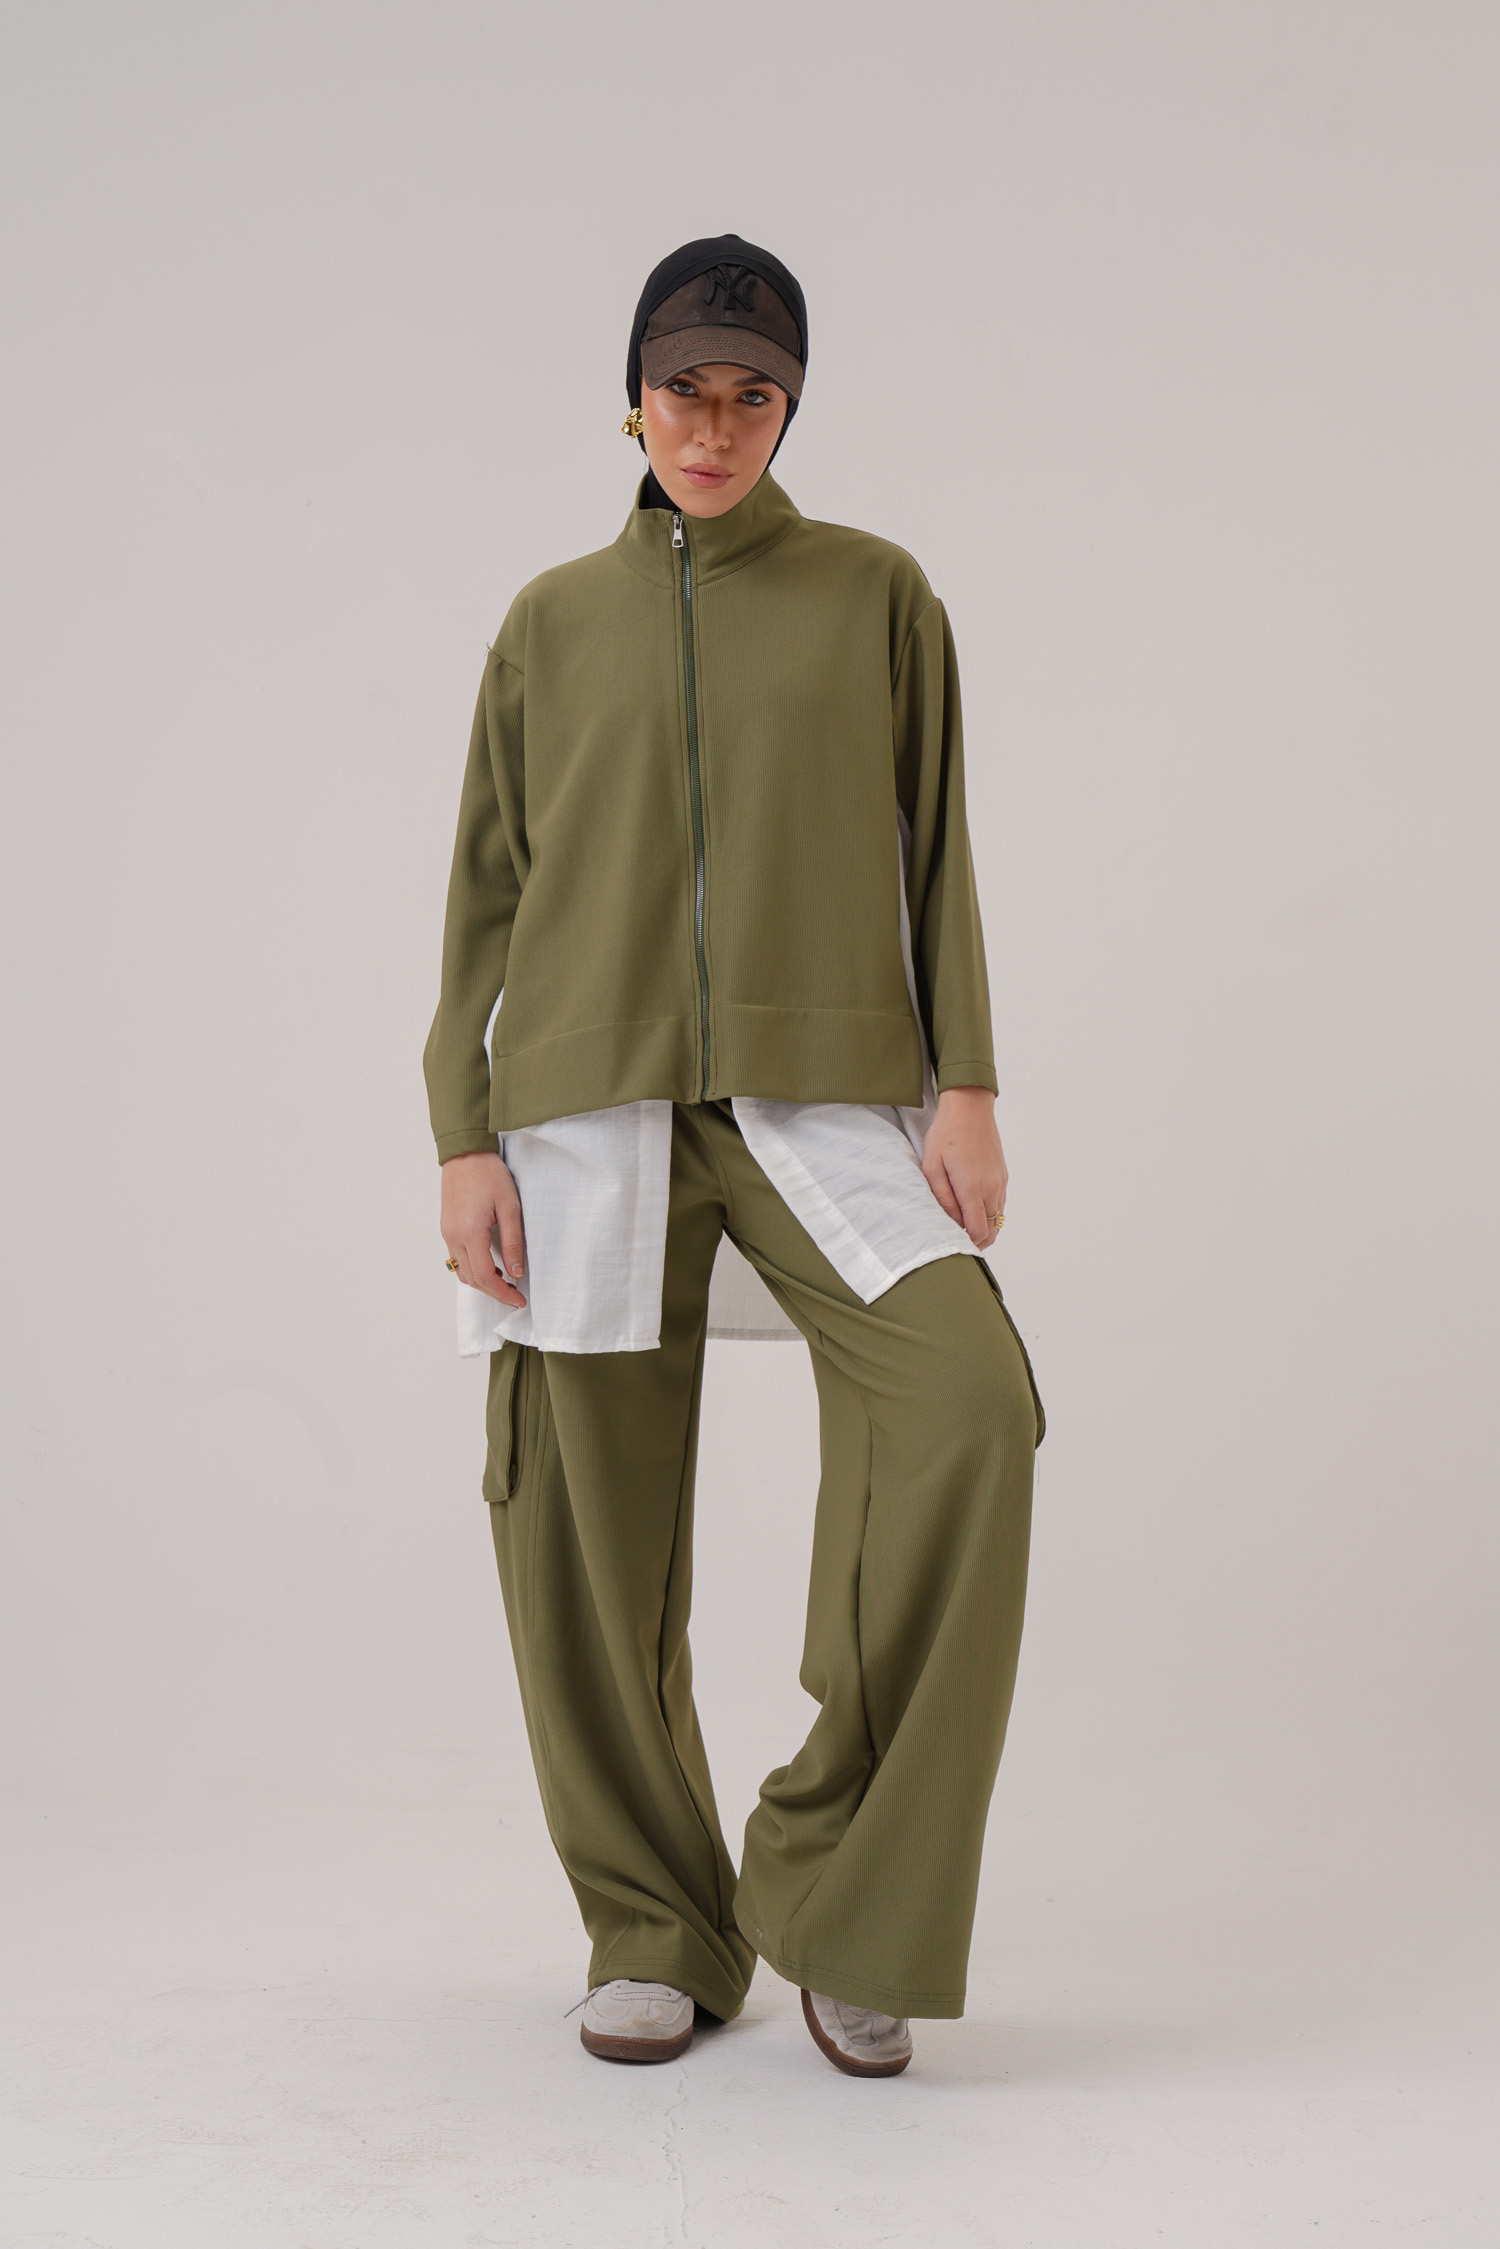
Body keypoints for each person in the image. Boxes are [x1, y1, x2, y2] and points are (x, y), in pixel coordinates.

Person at [424, 233, 1045, 2079]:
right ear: (630, 400)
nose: (712, 426)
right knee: (580, 1528)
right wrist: (462, 1128)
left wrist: (967, 1080)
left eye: (749, 394)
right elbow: (483, 893)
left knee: (966, 1410)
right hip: (580, 1097)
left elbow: (939, 840)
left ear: (789, 408)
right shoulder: (549, 621)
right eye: (681, 390)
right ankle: (653, 1924)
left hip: (817, 1087)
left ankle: (844, 1892)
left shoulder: (876, 595)